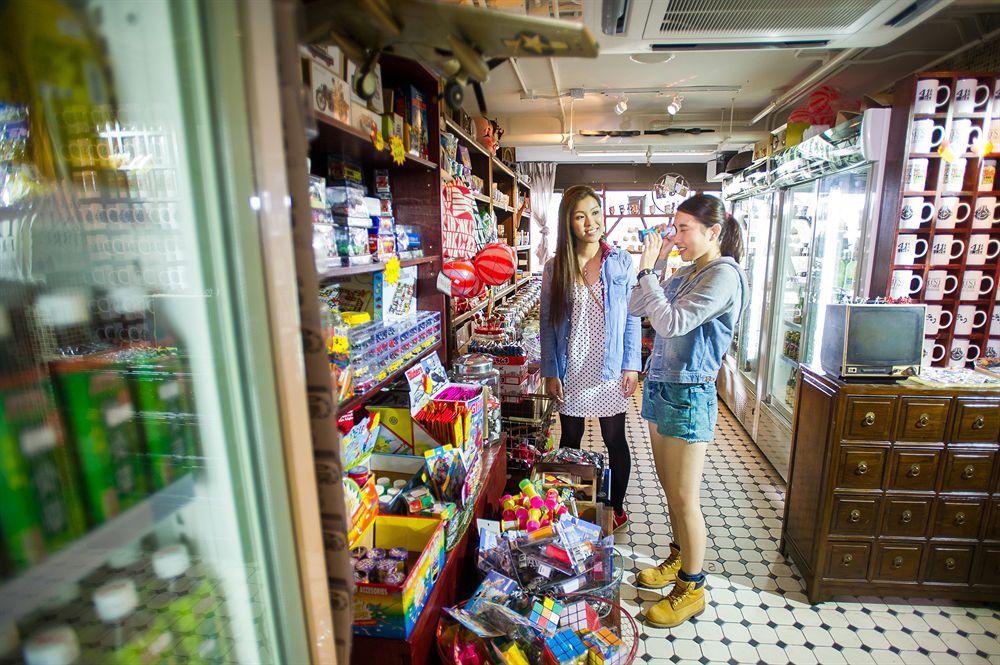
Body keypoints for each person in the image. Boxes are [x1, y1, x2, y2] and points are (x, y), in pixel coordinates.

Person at [628, 194, 747, 628]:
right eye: (672, 229)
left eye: (683, 229)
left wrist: (645, 271)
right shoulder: (685, 271)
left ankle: (692, 587)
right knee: (667, 487)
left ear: (712, 231)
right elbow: (639, 307)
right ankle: (679, 561)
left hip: (690, 393)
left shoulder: (723, 276)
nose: (675, 237)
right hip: (661, 385)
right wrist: (656, 264)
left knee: (684, 496)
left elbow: (671, 323)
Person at [540, 185, 642, 532]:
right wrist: (551, 371)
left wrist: (631, 364)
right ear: (568, 222)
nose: (591, 223)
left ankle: (615, 507)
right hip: (572, 367)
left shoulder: (621, 261)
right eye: (580, 216)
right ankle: (570, 505)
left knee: (615, 439)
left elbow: (631, 316)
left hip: (609, 368)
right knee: (571, 439)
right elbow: (549, 324)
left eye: (595, 213)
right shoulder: (556, 267)